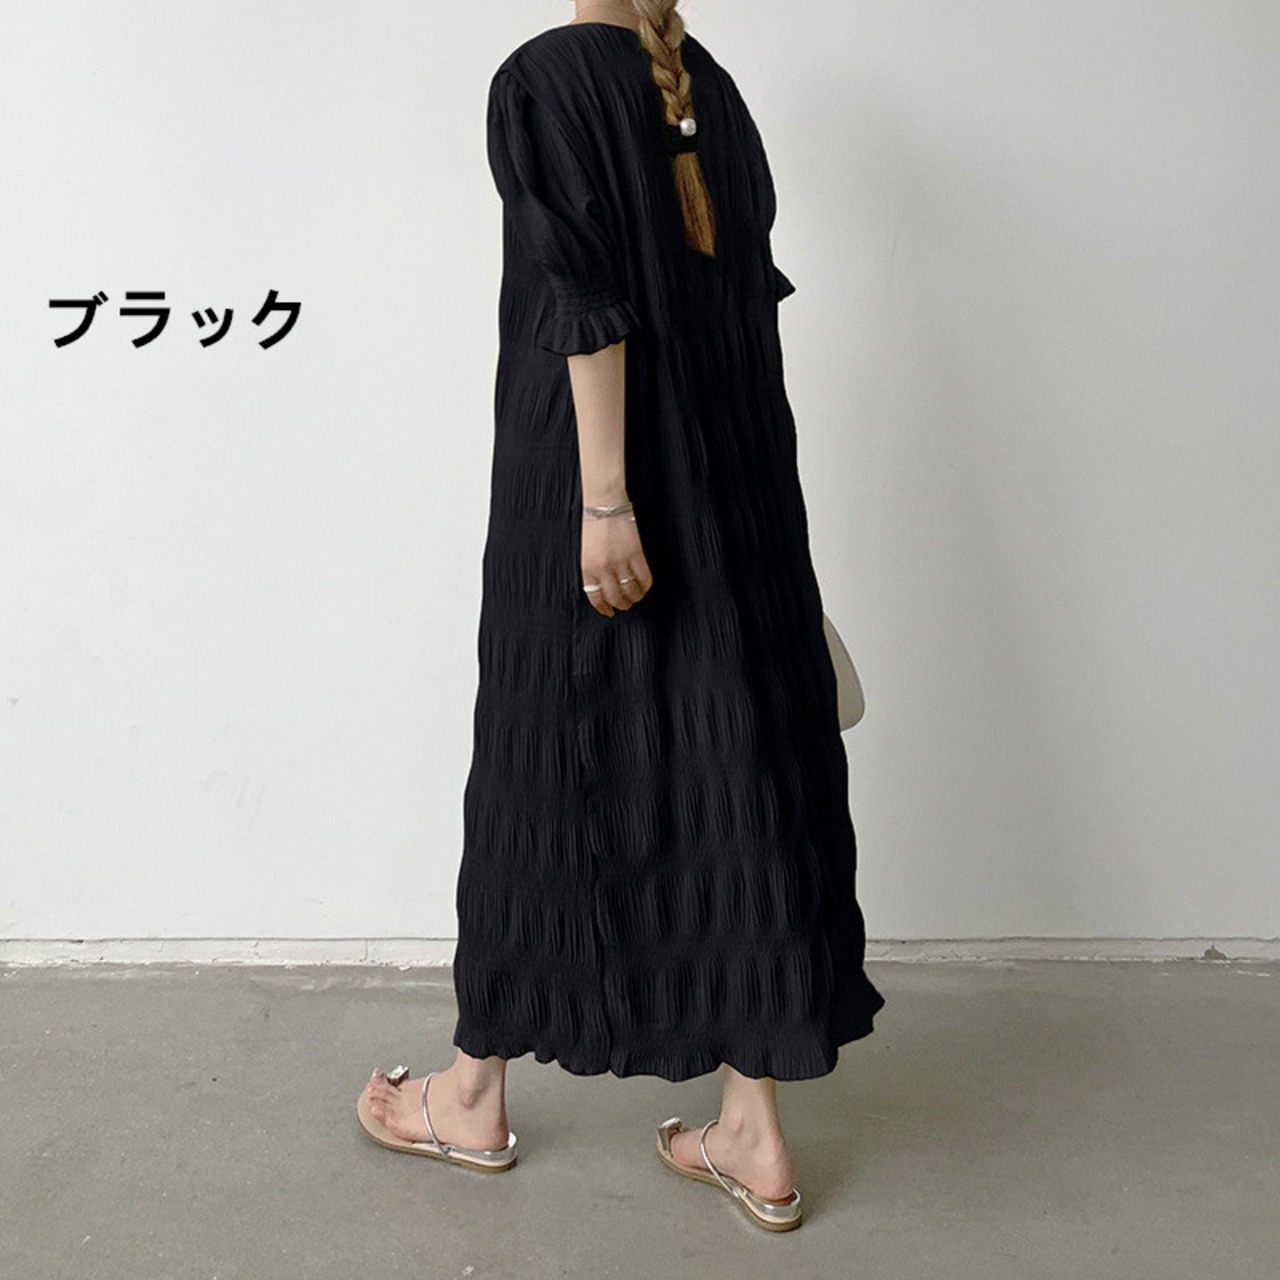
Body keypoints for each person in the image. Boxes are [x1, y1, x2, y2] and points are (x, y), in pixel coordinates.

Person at [357, 0, 885, 1230]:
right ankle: (750, 1127)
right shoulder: (707, 87)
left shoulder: (545, 77)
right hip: (733, 489)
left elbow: (580, 299)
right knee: (734, 770)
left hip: (597, 487)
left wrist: (604, 500)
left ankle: (469, 1095)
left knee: (540, 759)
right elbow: (741, 312)